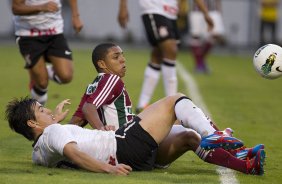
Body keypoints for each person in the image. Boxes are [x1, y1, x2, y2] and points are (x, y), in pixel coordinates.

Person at [67, 43, 265, 175]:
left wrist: (56, 135)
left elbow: (75, 122)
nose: (123, 60)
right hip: (126, 144)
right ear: (102, 64)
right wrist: (101, 129)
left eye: (123, 56)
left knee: (188, 134)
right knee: (176, 100)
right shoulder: (111, 78)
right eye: (116, 57)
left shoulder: (92, 87)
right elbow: (89, 108)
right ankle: (215, 135)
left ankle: (246, 164)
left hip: (135, 154)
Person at [118, 0, 214, 113]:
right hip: (154, 8)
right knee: (171, 49)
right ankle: (173, 106)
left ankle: (142, 105)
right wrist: (123, 7)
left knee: (158, 54)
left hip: (171, 13)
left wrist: (205, 13)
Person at [11, 0, 83, 105]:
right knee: (42, 83)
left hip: (54, 32)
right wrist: (42, 7)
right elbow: (16, 8)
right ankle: (38, 117)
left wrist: (76, 16)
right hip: (28, 34)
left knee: (66, 76)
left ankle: (43, 72)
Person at [189, 0, 225, 74]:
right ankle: (199, 65)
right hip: (197, 10)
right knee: (196, 36)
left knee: (215, 35)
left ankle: (200, 61)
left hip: (213, 10)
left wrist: (219, 9)